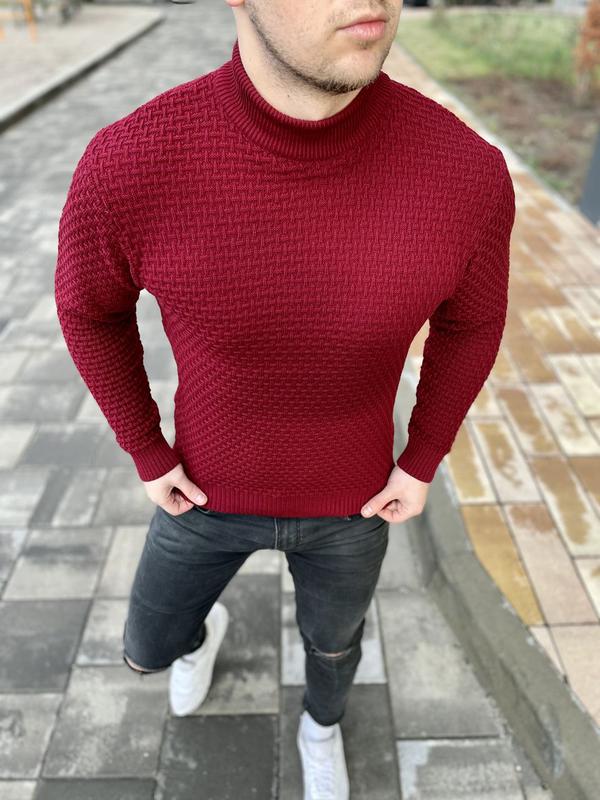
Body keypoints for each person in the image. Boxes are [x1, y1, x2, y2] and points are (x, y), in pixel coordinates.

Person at [53, 0, 516, 797]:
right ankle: (200, 636)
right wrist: (145, 448)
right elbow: (88, 309)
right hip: (203, 490)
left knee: (334, 649)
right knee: (148, 646)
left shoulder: (465, 172)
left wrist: (422, 459)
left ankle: (321, 728)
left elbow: (473, 322)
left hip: (356, 503)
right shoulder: (131, 161)